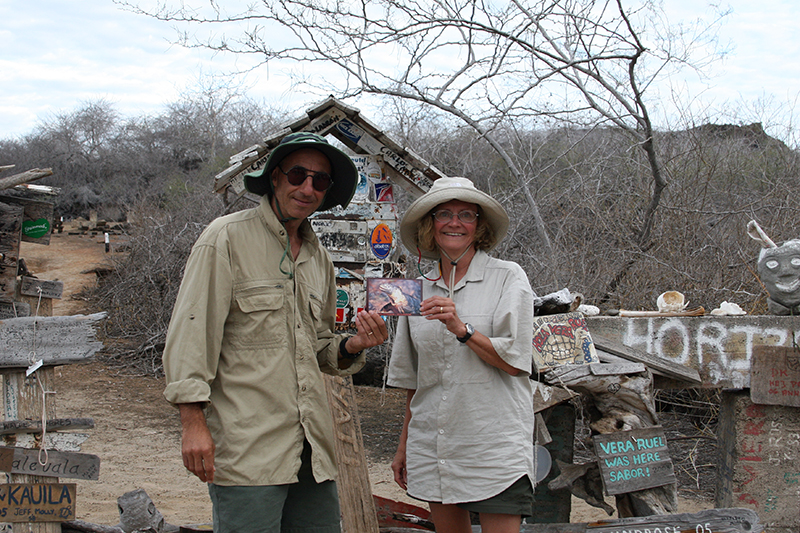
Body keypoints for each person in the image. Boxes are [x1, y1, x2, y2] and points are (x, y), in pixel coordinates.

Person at [162, 131, 389, 533]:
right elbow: (192, 334)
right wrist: (192, 422)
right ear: (274, 177)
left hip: (312, 451)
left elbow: (318, 345)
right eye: (298, 175)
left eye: (320, 181)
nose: (307, 188)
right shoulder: (226, 237)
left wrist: (354, 344)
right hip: (249, 449)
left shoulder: (319, 257)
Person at [387, 177, 536, 533]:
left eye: (466, 215)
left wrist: (462, 329)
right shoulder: (416, 290)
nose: (455, 222)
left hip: (492, 446)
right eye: (444, 214)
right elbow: (415, 380)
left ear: (478, 225)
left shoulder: (508, 277)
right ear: (430, 224)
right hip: (435, 445)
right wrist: (404, 446)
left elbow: (516, 363)